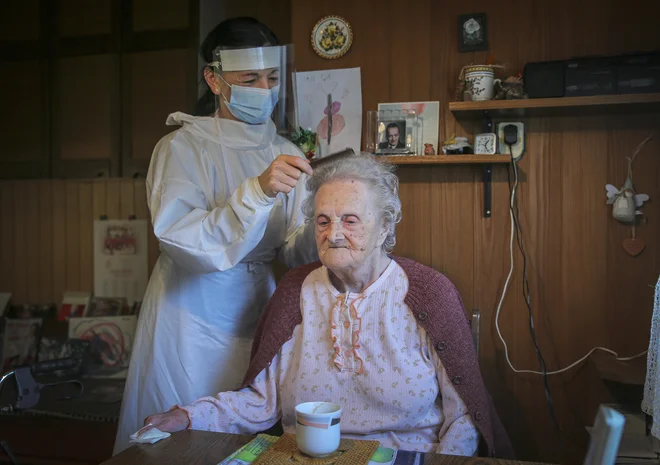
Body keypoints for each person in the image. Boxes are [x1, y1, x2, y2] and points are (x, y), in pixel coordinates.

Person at [141, 154, 514, 457]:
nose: (333, 234)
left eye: (350, 220)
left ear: (385, 226)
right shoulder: (294, 291)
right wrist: (187, 416)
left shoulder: (428, 293)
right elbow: (261, 402)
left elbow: (463, 418)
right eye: (322, 220)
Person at [113, 17, 318, 454]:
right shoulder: (181, 149)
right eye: (250, 78)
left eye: (272, 77)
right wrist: (257, 192)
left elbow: (295, 250)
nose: (264, 88)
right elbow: (183, 241)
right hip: (190, 313)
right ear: (214, 78)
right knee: (185, 437)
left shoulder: (287, 151)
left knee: (252, 426)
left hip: (262, 304)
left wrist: (323, 222)